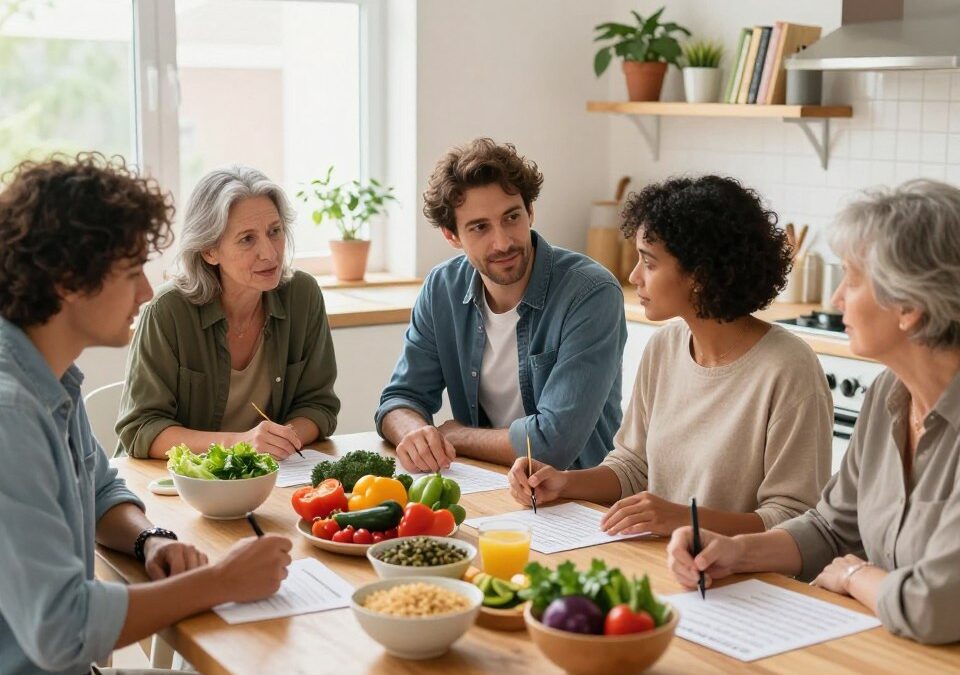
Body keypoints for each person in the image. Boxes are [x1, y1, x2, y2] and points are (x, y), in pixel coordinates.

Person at [0, 154, 292, 675]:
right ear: (69, 280)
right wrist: (221, 581)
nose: (145, 291)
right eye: (132, 271)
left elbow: (99, 491)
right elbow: (63, 630)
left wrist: (147, 538)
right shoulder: (11, 415)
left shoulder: (48, 379)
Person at [667, 179, 960, 645]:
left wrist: (853, 577)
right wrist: (734, 552)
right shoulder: (890, 394)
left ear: (909, 306)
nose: (837, 298)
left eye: (853, 280)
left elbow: (933, 605)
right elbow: (831, 528)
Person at [509, 175, 832, 536]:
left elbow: (795, 519)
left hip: (741, 580)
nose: (633, 277)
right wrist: (563, 482)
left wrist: (685, 520)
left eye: (649, 263)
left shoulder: (788, 368)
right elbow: (632, 467)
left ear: (700, 274)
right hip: (665, 563)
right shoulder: (664, 347)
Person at [377, 138, 627, 473]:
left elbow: (553, 445)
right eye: (480, 227)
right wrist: (415, 433)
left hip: (578, 501)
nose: (503, 242)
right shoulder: (442, 289)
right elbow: (399, 399)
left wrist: (456, 435)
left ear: (530, 211)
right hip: (487, 488)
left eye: (512, 217)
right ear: (451, 236)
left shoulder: (590, 293)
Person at [116, 165, 340, 460]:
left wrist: (282, 440)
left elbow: (319, 405)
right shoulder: (167, 312)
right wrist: (242, 443)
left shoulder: (303, 295)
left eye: (274, 232)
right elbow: (142, 428)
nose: (270, 253)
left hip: (266, 480)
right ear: (209, 251)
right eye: (247, 239)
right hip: (168, 484)